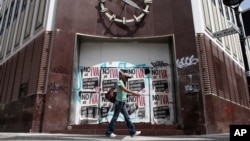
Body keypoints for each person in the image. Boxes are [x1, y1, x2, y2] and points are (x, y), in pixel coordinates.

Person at [105, 69, 141, 137]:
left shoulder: (123, 82)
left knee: (127, 117)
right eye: (127, 77)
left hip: (122, 103)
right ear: (123, 76)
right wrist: (134, 93)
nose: (127, 79)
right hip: (118, 102)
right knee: (115, 117)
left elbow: (124, 92)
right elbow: (125, 89)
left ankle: (133, 132)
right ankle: (109, 132)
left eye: (128, 78)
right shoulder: (119, 82)